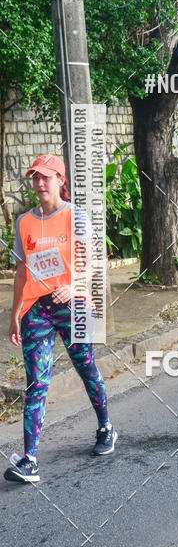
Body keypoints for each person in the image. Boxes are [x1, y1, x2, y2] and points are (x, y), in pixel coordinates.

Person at [4, 154, 117, 484]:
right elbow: (21, 272)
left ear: (60, 181)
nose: (40, 183)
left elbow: (94, 262)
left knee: (86, 367)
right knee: (36, 383)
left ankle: (106, 426)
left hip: (76, 305)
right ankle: (29, 460)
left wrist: (74, 285)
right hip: (37, 310)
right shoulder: (24, 222)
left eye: (46, 177)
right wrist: (14, 317)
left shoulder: (75, 217)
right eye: (35, 178)